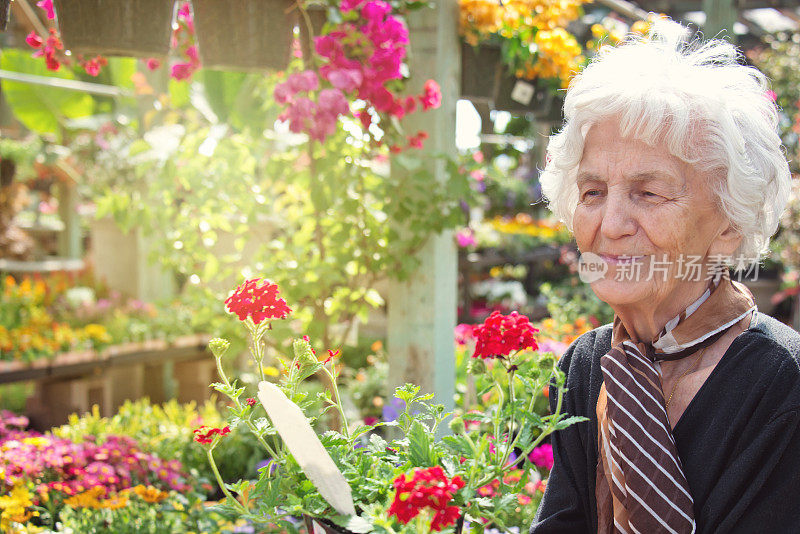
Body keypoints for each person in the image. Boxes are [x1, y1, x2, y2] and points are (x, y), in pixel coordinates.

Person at [530, 19, 800, 534]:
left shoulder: (781, 384)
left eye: (648, 193)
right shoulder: (589, 366)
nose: (609, 224)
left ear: (727, 224)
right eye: (592, 192)